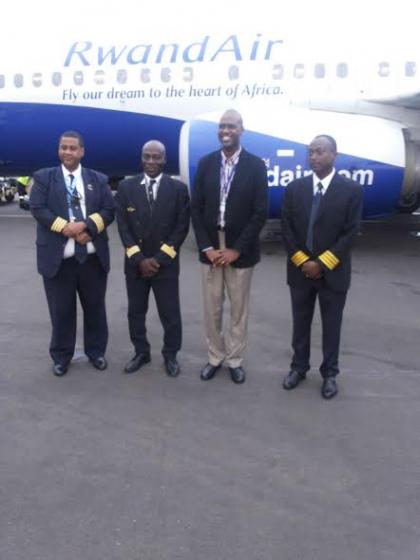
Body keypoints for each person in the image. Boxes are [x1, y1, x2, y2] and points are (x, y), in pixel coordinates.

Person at [281, 134, 363, 399]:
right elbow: (287, 230)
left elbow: (350, 234)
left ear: (334, 155)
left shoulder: (350, 190)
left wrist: (321, 264)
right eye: (311, 152)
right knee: (300, 324)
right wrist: (304, 262)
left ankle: (330, 374)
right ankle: (299, 367)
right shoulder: (295, 189)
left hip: (333, 273)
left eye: (319, 151)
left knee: (332, 326)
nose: (313, 157)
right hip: (300, 271)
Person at [191, 109, 268, 384]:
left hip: (240, 249)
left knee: (238, 309)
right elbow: (196, 209)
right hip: (212, 247)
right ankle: (215, 357)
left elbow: (260, 212)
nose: (226, 130)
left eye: (231, 126)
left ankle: (234, 359)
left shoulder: (256, 166)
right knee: (212, 308)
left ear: (241, 130)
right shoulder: (205, 163)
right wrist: (206, 248)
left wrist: (236, 249)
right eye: (222, 126)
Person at [29, 131, 115, 376]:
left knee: (95, 308)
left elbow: (109, 210)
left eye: (72, 148)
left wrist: (88, 226)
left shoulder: (97, 179)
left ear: (82, 151)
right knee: (61, 311)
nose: (67, 152)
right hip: (59, 259)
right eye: (63, 147)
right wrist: (66, 228)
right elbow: (38, 208)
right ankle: (61, 356)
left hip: (92, 259)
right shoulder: (44, 177)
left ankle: (96, 351)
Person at [115, 140, 190, 377]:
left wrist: (158, 259)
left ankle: (171, 355)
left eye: (156, 157)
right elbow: (123, 227)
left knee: (170, 314)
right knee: (136, 312)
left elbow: (181, 228)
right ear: (141, 158)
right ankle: (141, 352)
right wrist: (139, 260)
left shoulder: (178, 189)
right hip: (136, 265)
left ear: (164, 159)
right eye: (147, 156)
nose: (151, 162)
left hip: (164, 265)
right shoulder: (126, 188)